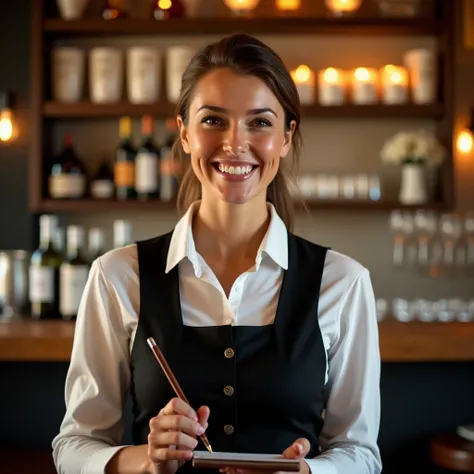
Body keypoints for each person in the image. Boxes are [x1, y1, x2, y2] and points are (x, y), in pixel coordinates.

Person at [52, 33, 382, 474]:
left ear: (286, 137)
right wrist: (146, 462)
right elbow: (74, 447)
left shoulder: (343, 281)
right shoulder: (117, 276)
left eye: (260, 122)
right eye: (213, 121)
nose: (234, 143)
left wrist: (308, 472)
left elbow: (361, 453)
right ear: (184, 133)